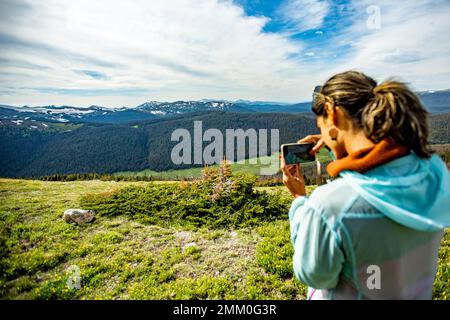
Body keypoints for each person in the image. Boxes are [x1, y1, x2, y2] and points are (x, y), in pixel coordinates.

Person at [280, 70, 450, 300]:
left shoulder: (329, 206)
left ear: (332, 113)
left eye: (321, 125)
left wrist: (300, 202)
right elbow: (375, 170)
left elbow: (315, 275)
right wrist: (336, 145)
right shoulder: (433, 172)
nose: (321, 132)